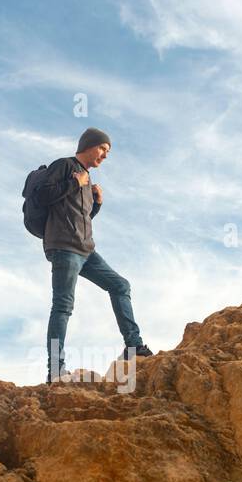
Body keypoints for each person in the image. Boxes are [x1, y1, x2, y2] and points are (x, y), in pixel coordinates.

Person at [34, 127, 153, 382]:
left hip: (86, 250)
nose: (105, 155)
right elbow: (43, 195)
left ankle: (133, 347)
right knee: (63, 307)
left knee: (120, 285)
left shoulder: (88, 180)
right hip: (64, 248)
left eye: (107, 151)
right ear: (89, 145)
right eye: (103, 149)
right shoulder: (65, 166)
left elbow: (82, 219)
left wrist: (96, 202)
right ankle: (55, 370)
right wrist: (73, 183)